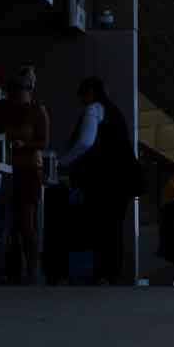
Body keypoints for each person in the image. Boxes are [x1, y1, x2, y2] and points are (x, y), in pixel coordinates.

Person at [59, 76, 139, 285]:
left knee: (100, 225)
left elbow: (86, 141)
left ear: (91, 92)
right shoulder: (116, 113)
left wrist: (63, 162)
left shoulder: (94, 108)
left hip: (105, 179)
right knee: (113, 227)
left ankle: (101, 274)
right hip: (124, 178)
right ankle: (110, 274)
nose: (81, 101)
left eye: (83, 95)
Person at [0, 65, 50, 284]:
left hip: (29, 170)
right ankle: (14, 270)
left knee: (25, 223)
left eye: (19, 93)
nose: (15, 98)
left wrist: (24, 144)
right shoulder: (6, 110)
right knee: (11, 223)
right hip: (9, 170)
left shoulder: (38, 110)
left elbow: (44, 141)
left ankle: (32, 270)